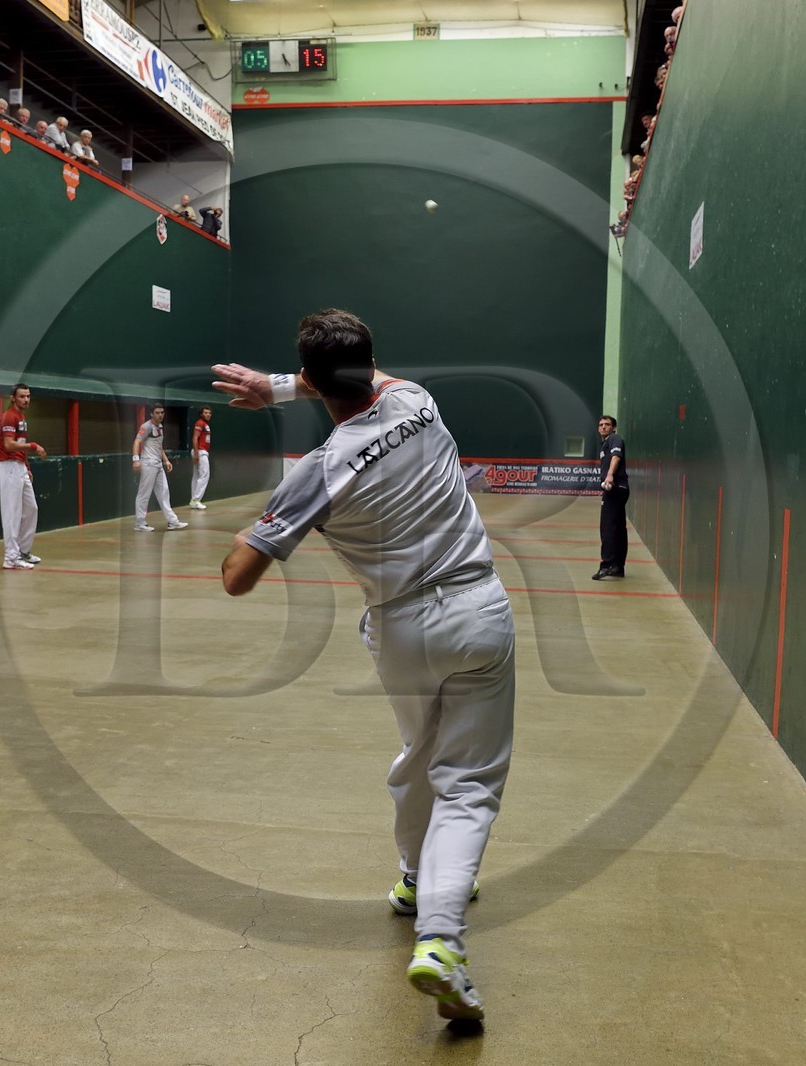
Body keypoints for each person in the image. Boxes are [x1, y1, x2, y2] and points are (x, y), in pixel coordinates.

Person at [213, 309, 515, 1023]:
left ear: (314, 380)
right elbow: (361, 376)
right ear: (372, 360)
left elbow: (237, 577)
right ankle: (439, 941)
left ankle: (415, 880)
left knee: (421, 752)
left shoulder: (316, 473)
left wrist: (258, 527)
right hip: (477, 612)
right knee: (467, 784)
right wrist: (282, 386)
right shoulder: (417, 401)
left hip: (400, 630)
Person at [0, 384, 46, 570]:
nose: (26, 400)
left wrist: (27, 466)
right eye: (22, 396)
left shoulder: (21, 417)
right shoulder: (9, 416)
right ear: (13, 398)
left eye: (28, 396)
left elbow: (19, 445)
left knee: (31, 509)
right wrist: (33, 446)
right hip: (8, 466)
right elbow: (9, 445)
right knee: (12, 514)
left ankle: (23, 551)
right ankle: (11, 558)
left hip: (20, 467)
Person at [131, 405, 187, 532]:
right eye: (157, 412)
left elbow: (159, 446)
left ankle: (172, 521)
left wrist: (166, 460)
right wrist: (136, 460)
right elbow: (137, 442)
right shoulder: (146, 426)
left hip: (158, 464)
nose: (160, 415)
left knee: (164, 493)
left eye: (162, 412)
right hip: (148, 464)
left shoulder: (160, 427)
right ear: (151, 414)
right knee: (144, 494)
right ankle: (139, 523)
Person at [593, 415, 629, 580]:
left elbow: (616, 456)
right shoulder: (604, 444)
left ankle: (607, 565)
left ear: (613, 428)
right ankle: (618, 567)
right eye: (601, 425)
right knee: (619, 528)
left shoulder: (614, 439)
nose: (603, 427)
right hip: (620, 489)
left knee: (607, 528)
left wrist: (609, 475)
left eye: (607, 424)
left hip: (614, 488)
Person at [188, 405, 212, 509]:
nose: (208, 414)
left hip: (201, 452)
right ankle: (196, 499)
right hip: (200, 452)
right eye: (205, 413)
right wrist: (197, 453)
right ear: (201, 414)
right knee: (204, 475)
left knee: (197, 476)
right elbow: (195, 438)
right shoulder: (200, 423)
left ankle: (194, 501)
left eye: (209, 413)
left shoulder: (205, 424)